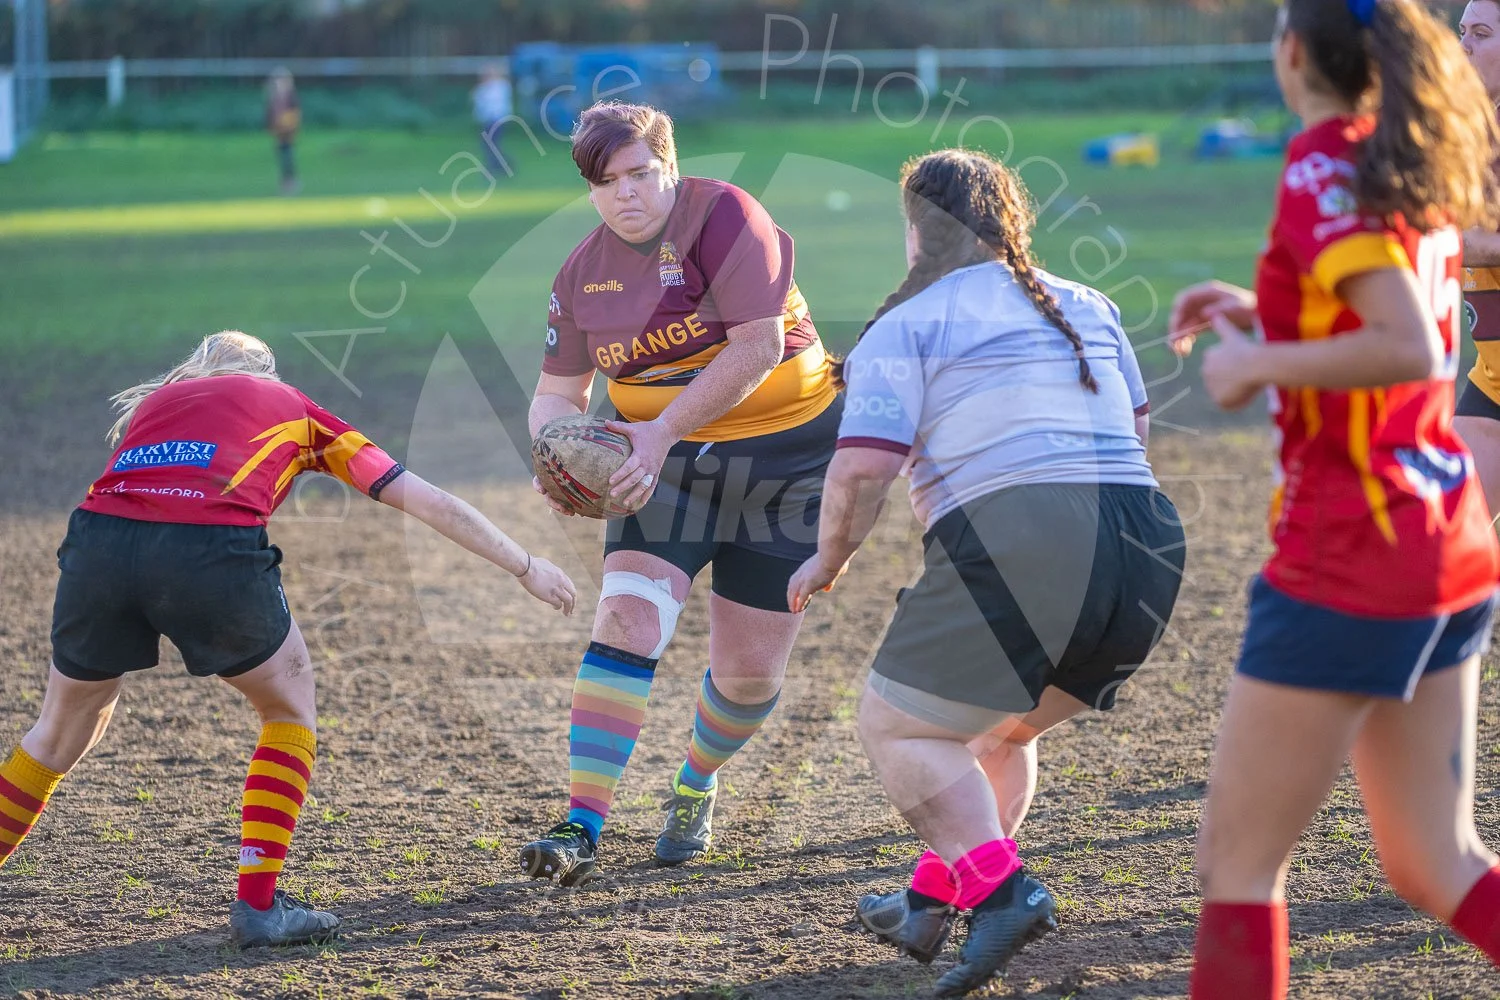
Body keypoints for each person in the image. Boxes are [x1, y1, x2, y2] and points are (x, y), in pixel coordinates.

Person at [0, 332, 576, 948]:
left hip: (98, 542)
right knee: (288, 709)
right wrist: (524, 564)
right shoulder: (294, 408)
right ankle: (258, 906)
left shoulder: (157, 403)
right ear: (267, 372)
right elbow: (425, 499)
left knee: (58, 731)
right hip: (207, 548)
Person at [786, 149, 1185, 997]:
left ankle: (1004, 892)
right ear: (1012, 223)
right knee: (998, 732)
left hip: (1025, 535)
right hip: (1146, 543)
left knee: (899, 730)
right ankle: (930, 900)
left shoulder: (911, 320)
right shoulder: (1090, 303)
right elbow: (1134, 433)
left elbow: (861, 473)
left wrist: (829, 558)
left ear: (916, 231)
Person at [1168, 2, 1500, 997]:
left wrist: (1254, 362)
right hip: (1443, 532)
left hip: (1356, 546)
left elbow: (1403, 340)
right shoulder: (1398, 155)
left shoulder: (1326, 161)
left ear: (1295, 50)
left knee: (1236, 869)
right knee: (1434, 862)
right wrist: (1262, 308)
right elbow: (1386, 308)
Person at [521, 101, 840, 883]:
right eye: (606, 181)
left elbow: (759, 345)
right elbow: (557, 396)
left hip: (788, 469)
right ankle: (581, 825)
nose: (625, 193)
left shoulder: (725, 214)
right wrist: (552, 458)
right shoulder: (579, 275)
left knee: (749, 675)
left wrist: (659, 430)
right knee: (626, 620)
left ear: (670, 164)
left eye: (640, 173)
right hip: (664, 476)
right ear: (589, 188)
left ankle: (695, 783)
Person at [1457, 0, 1500, 514]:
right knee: (1445, 543)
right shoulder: (1466, 135)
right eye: (1462, 31)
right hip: (1491, 382)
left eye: (1482, 34)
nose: (1463, 46)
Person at [472, 63, 514, 174]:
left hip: (496, 119)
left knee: (491, 144)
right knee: (489, 144)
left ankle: (499, 166)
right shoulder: (485, 88)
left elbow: (493, 103)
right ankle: (500, 166)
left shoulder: (500, 86)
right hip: (488, 120)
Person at [265, 68, 300, 195]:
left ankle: (291, 180)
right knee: (282, 157)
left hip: (288, 132)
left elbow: (295, 114)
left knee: (288, 157)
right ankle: (285, 181)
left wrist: (291, 127)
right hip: (278, 133)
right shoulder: (273, 98)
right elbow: (270, 115)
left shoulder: (291, 97)